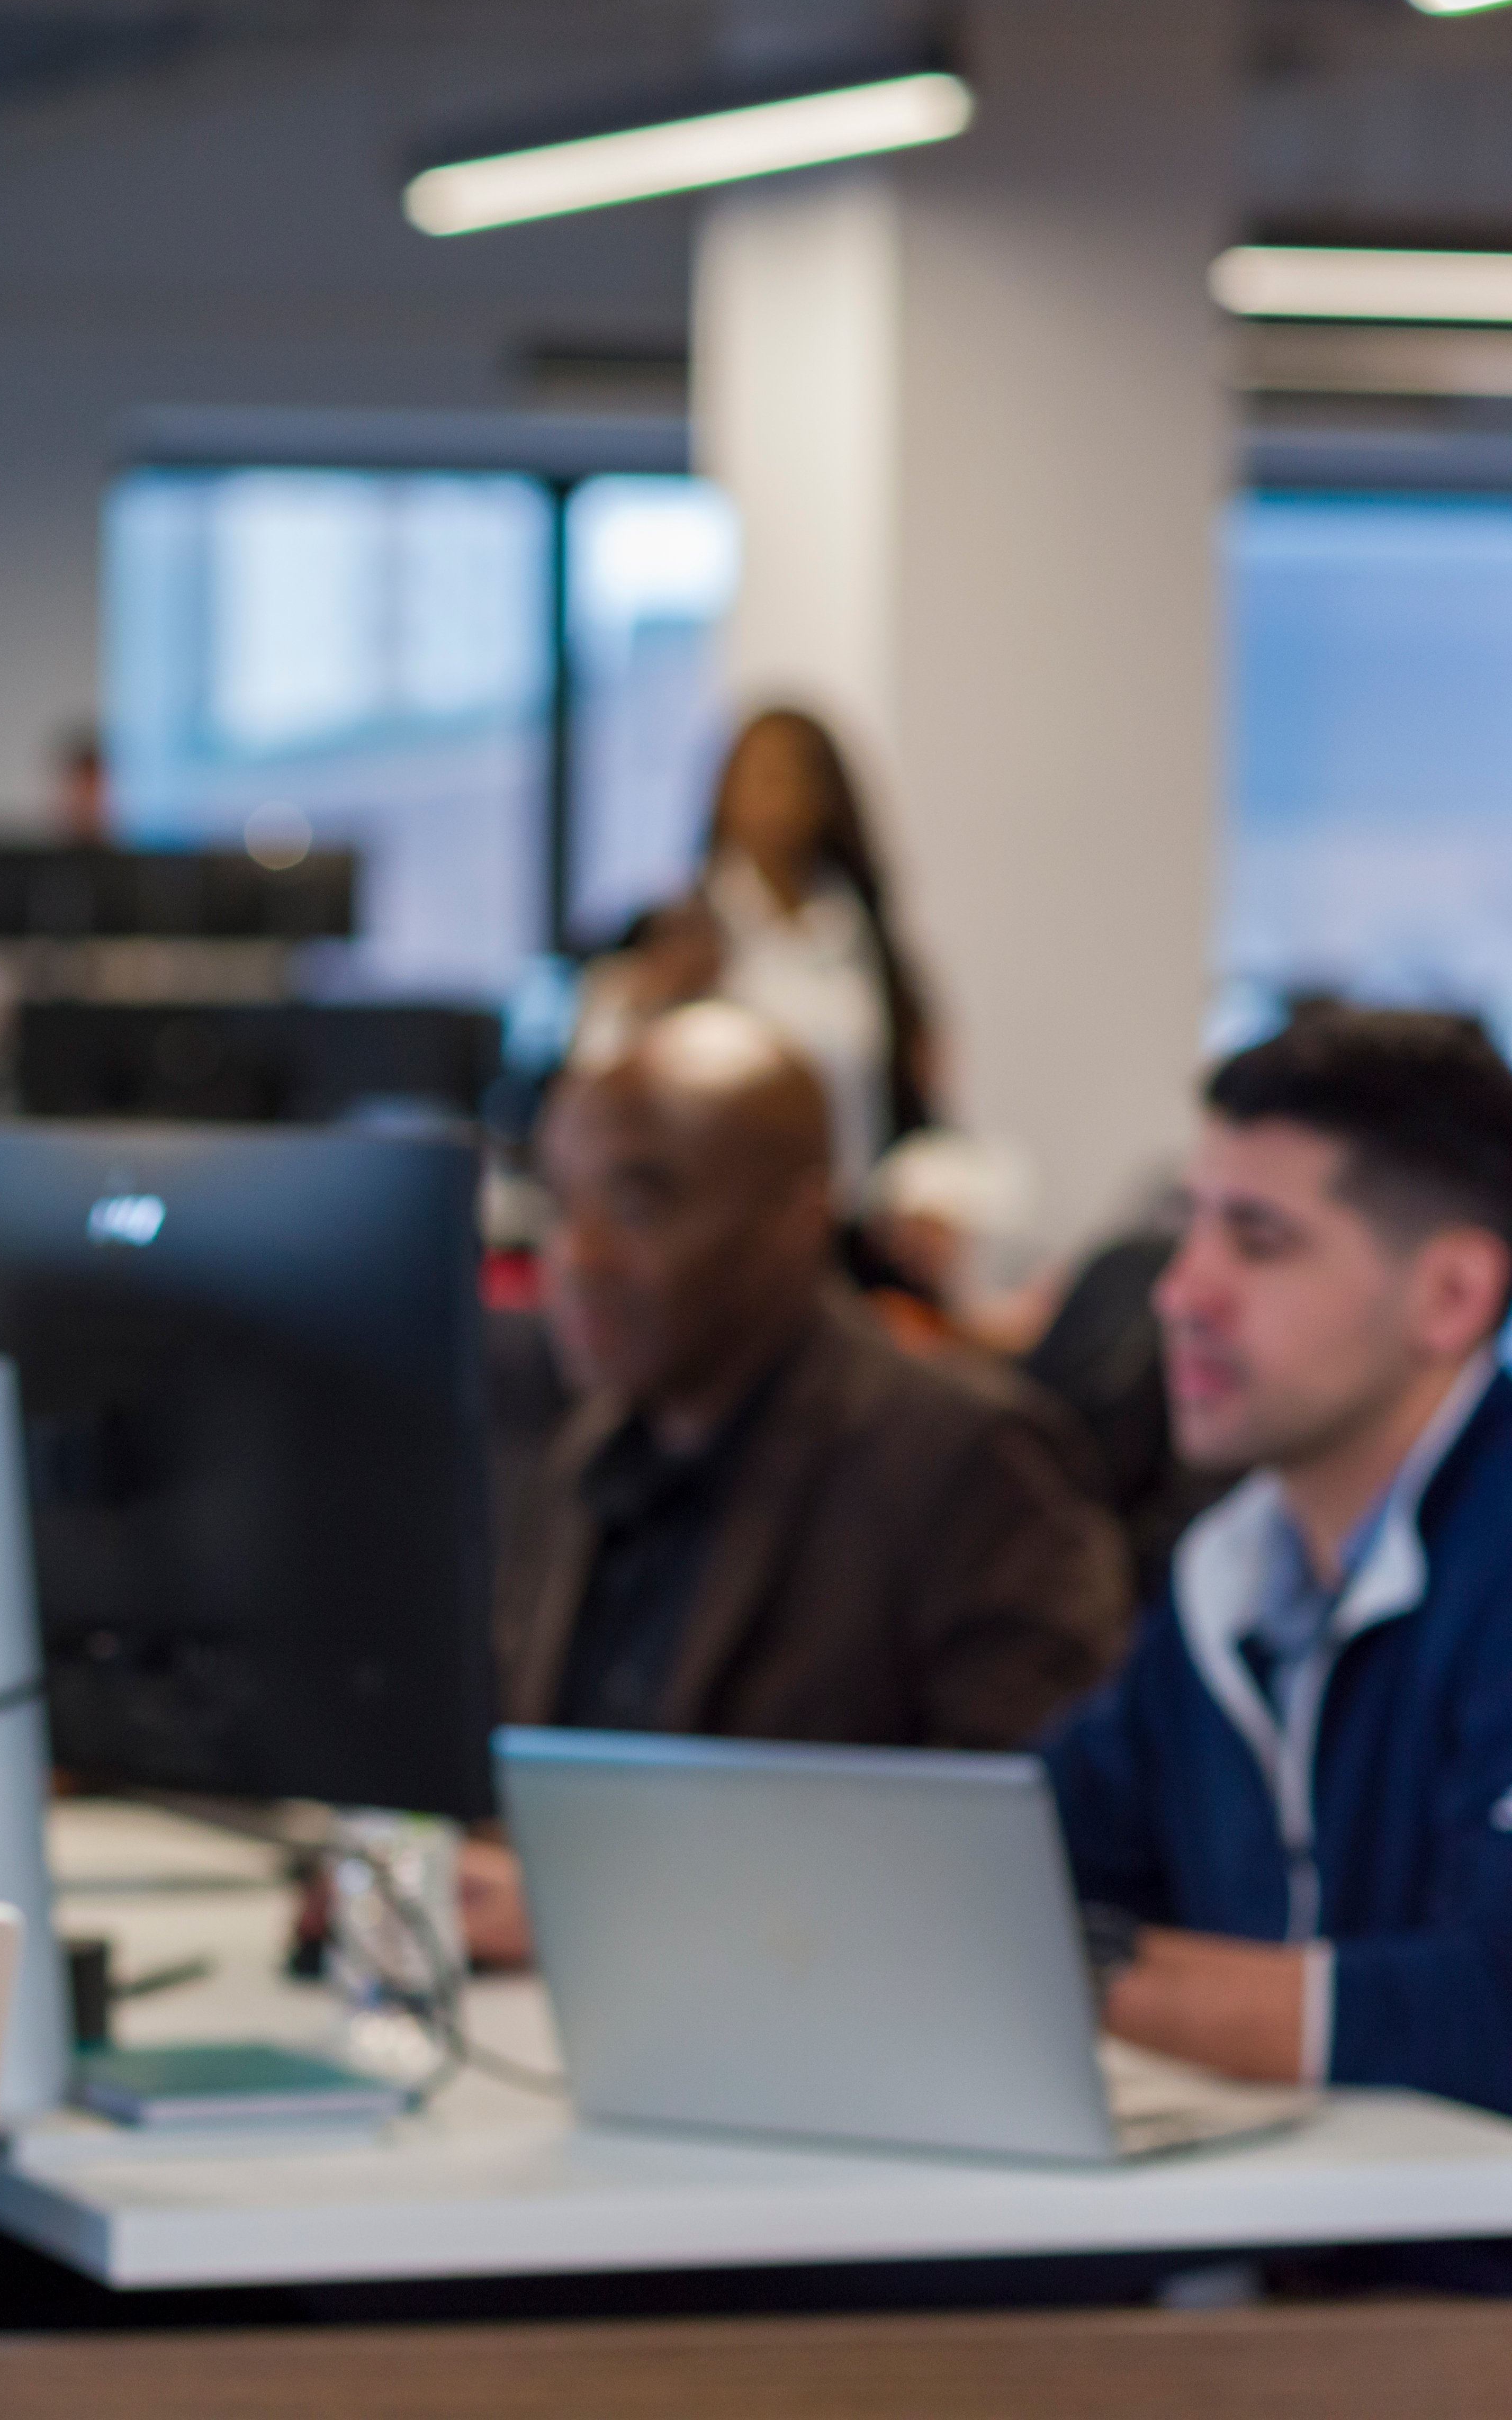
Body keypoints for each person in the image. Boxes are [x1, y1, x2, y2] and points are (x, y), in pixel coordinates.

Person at [465, 1003, 1129, 1964]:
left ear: (799, 1217)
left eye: (639, 1206)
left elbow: (1016, 1864)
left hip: (820, 2020)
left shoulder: (965, 1463)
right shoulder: (587, 1452)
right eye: (562, 1205)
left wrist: (599, 1916)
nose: (581, 1255)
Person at [1042, 1009, 1512, 2115]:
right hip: (1291, 2204)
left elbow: (1493, 2008)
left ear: (1449, 1295)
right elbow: (1045, 1846)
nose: (1179, 1292)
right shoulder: (1232, 1565)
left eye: (1258, 1241)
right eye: (1188, 1227)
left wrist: (1089, 1976)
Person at [580, 703, 937, 1193]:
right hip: (718, 1210)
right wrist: (646, 1001)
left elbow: (908, 1101)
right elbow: (595, 1081)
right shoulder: (676, 931)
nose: (778, 796)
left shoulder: (863, 938)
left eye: (796, 775)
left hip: (846, 1210)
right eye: (760, 775)